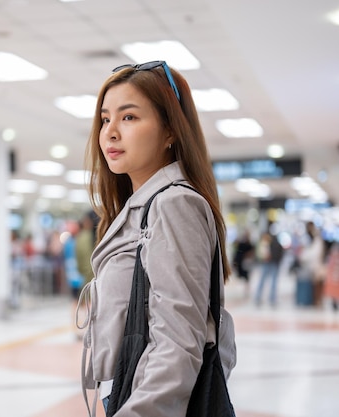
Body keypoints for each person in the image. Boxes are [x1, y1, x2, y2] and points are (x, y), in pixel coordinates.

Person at [78, 60, 236, 416]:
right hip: (127, 391)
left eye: (129, 117)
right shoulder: (141, 207)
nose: (111, 132)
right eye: (105, 119)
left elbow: (178, 344)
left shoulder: (174, 204)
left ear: (170, 132)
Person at [254, 229, 284, 307]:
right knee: (264, 280)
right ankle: (260, 297)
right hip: (268, 263)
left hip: (272, 263)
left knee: (271, 281)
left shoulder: (273, 243)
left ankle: (271, 298)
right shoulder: (266, 243)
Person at [232, 230, 255, 297]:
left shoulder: (249, 244)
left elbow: (251, 253)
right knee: (243, 277)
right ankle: (244, 290)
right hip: (241, 262)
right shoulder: (241, 243)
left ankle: (246, 290)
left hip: (246, 262)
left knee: (246, 277)